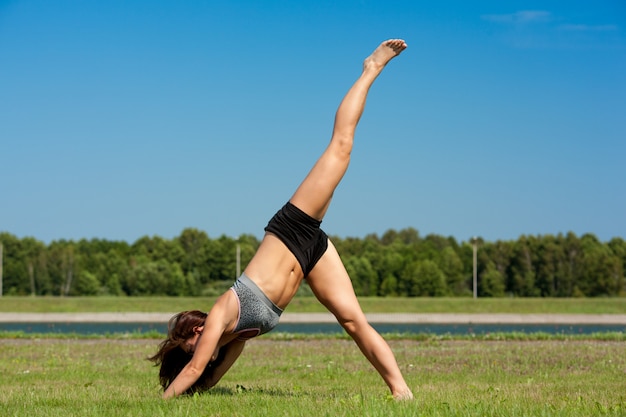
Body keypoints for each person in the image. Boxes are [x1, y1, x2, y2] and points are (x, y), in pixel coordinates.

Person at [150, 39, 413, 400]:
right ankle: (402, 394)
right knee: (353, 322)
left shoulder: (221, 313)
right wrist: (194, 391)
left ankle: (371, 68)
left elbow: (196, 369)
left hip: (292, 229)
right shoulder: (237, 338)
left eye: (191, 350)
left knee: (341, 146)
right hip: (310, 256)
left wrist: (161, 404)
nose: (198, 356)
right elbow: (206, 378)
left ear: (196, 332)